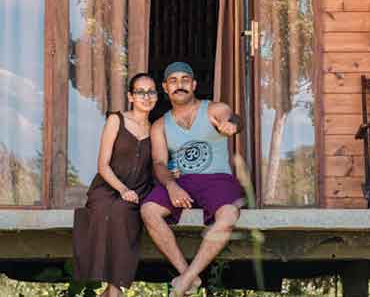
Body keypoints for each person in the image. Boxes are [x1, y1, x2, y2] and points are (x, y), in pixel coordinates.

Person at [140, 62, 245, 297]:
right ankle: (189, 275)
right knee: (148, 210)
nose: (180, 85)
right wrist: (171, 185)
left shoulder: (212, 109)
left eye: (185, 80)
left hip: (217, 180)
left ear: (194, 84)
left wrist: (232, 125)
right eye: (173, 81)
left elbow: (232, 118)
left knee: (229, 215)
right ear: (165, 88)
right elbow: (158, 163)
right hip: (182, 183)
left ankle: (185, 279)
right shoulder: (160, 125)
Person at [73, 72, 159, 296]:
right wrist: (122, 189)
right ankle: (114, 290)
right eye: (140, 92)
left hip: (139, 190)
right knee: (103, 210)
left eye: (151, 92)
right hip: (108, 187)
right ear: (131, 96)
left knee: (123, 212)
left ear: (157, 97)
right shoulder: (116, 120)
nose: (146, 96)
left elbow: (158, 164)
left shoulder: (157, 129)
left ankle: (113, 290)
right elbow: (102, 164)